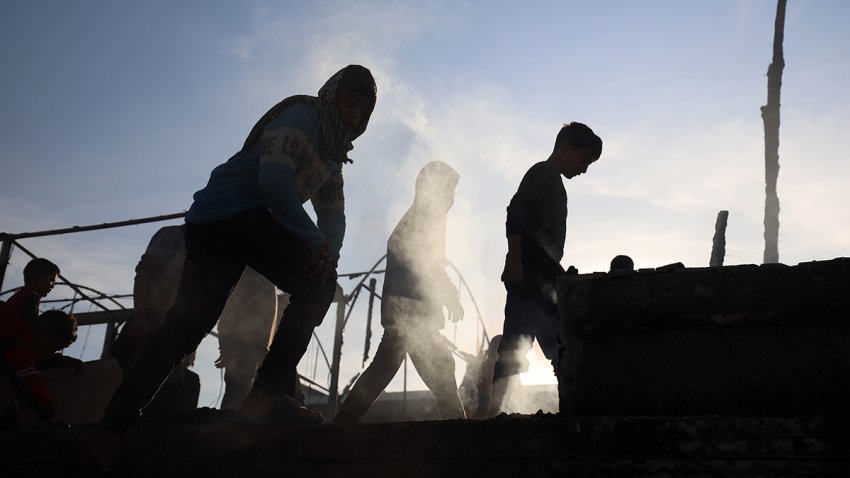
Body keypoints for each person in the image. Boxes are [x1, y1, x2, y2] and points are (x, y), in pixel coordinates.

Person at [83, 64, 376, 468]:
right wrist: (315, 249)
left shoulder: (332, 155)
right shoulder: (302, 116)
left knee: (186, 326)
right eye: (351, 100)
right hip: (234, 214)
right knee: (316, 288)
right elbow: (272, 183)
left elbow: (333, 218)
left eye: (364, 109)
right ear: (333, 97)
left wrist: (329, 254)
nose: (356, 112)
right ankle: (264, 402)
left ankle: (109, 430)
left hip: (223, 222)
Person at [334, 161, 466, 423]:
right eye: (449, 189)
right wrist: (449, 295)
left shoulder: (420, 216)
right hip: (414, 311)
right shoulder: (427, 218)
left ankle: (340, 425)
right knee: (441, 372)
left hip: (404, 309)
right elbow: (426, 264)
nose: (452, 197)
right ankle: (461, 434)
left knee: (382, 371)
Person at [490, 122, 602, 416]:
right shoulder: (542, 174)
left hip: (544, 277)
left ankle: (496, 413)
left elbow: (544, 238)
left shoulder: (554, 182)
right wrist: (515, 259)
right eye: (583, 160)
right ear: (565, 146)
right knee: (549, 347)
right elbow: (515, 211)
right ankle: (496, 413)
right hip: (531, 276)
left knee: (539, 347)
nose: (584, 169)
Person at [112, 225, 279, 414]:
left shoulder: (211, 250)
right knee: (134, 382)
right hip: (151, 321)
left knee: (169, 389)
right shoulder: (174, 236)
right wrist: (141, 314)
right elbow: (145, 273)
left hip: (171, 325)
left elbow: (216, 299)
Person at [0, 309, 80, 427]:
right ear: (44, 332)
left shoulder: (15, 332)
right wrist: (51, 417)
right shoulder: (14, 338)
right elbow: (27, 377)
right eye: (52, 348)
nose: (50, 354)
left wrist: (61, 361)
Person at [0, 258, 60, 324]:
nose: (52, 286)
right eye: (52, 280)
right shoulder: (31, 298)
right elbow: (21, 327)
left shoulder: (20, 295)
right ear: (38, 277)